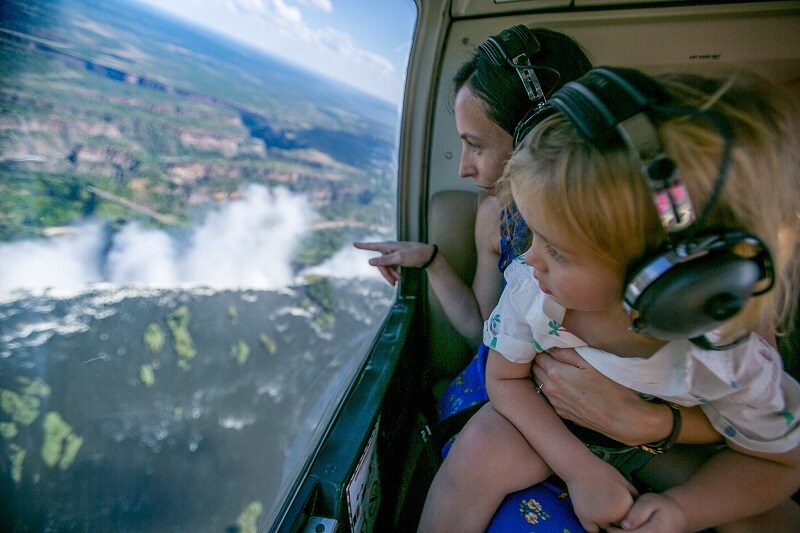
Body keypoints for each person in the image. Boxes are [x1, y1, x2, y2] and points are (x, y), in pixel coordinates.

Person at [418, 67, 800, 533]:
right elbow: (505, 379)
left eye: (556, 250)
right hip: (552, 429)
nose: (530, 259)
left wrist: (682, 510)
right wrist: (581, 470)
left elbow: (781, 463)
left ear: (663, 275)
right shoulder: (534, 291)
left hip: (662, 450)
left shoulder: (728, 355)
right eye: (533, 235)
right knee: (481, 446)